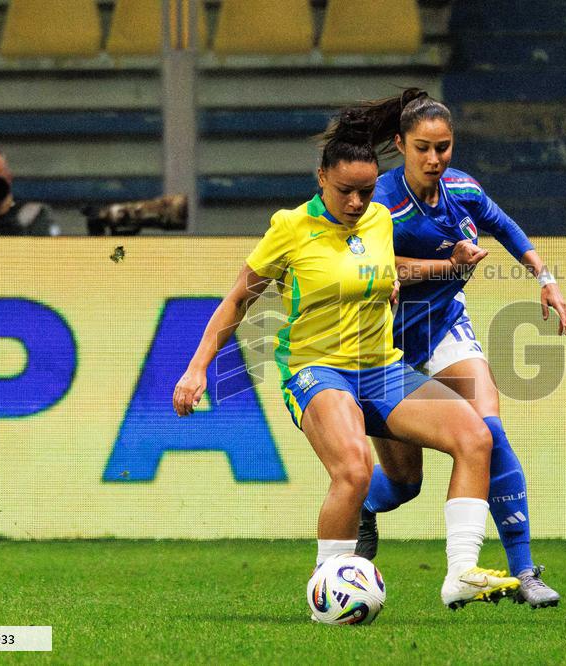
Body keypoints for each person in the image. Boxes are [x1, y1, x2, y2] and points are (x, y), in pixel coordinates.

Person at [172, 104, 520, 611]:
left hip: (381, 367)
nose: (358, 202)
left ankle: (461, 573)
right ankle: (326, 588)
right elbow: (238, 299)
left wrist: (444, 267)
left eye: (366, 190)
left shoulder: (379, 219)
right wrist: (197, 367)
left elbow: (388, 265)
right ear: (321, 179)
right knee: (354, 471)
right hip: (316, 369)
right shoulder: (290, 228)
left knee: (474, 437)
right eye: (346, 192)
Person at [347, 89, 566, 609]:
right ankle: (365, 505)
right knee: (404, 483)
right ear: (400, 144)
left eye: (443, 147)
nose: (434, 159)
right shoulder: (379, 201)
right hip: (382, 348)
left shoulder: (462, 188)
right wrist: (449, 262)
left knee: (488, 430)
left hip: (444, 330)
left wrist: (546, 277)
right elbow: (377, 268)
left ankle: (523, 571)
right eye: (423, 148)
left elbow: (505, 226)